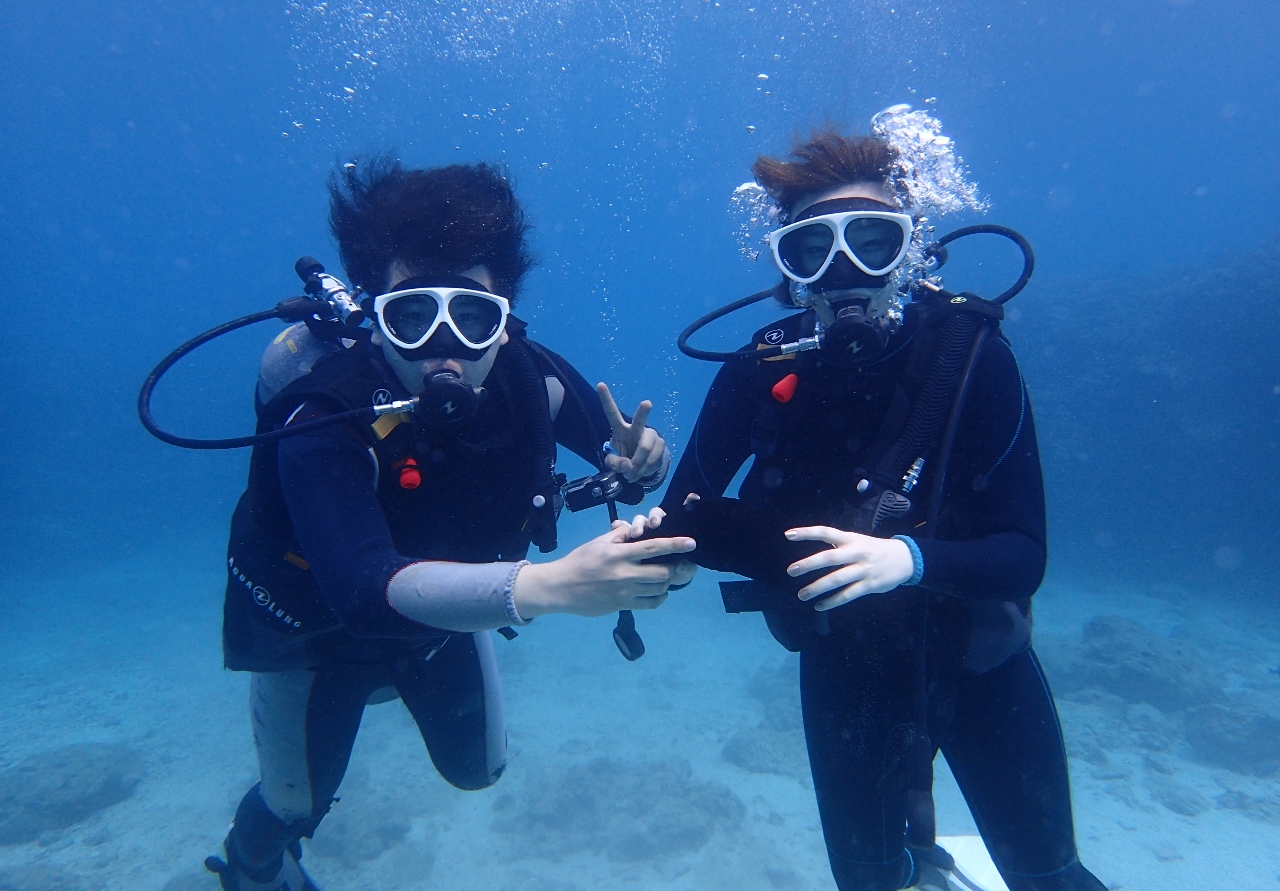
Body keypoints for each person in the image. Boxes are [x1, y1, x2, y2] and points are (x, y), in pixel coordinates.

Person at [205, 157, 693, 891]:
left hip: (443, 621)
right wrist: (549, 587)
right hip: (316, 639)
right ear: (377, 319)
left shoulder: (531, 377)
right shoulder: (322, 414)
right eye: (413, 316)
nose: (445, 348)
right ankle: (252, 860)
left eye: (472, 317)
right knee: (293, 805)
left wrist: (644, 463)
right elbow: (361, 591)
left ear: (503, 321)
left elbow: (620, 455)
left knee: (480, 770)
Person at [657, 129, 1106, 891]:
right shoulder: (760, 367)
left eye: (873, 242)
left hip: (978, 658)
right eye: (812, 250)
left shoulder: (973, 357)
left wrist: (907, 560)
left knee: (1050, 879)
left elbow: (1024, 555)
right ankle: (920, 865)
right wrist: (652, 545)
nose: (844, 273)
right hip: (844, 665)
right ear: (788, 270)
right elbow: (682, 516)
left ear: (913, 250)